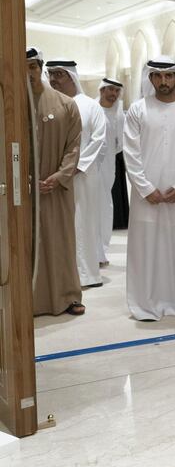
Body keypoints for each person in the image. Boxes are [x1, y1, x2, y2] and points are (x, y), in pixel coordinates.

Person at [123, 56, 175, 321]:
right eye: (158, 76)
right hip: (145, 194)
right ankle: (144, 303)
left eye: (169, 76)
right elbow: (131, 152)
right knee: (145, 247)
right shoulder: (138, 109)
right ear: (150, 78)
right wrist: (145, 188)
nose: (163, 81)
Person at [25, 47, 85, 316]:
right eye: (23, 68)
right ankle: (30, 300)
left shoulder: (66, 104)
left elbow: (74, 147)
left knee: (61, 240)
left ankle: (68, 296)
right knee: (27, 243)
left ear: (40, 68)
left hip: (57, 190)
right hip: (23, 191)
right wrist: (22, 179)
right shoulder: (10, 105)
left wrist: (59, 177)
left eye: (33, 67)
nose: (29, 74)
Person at [46, 59, 107, 288]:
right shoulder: (49, 104)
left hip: (83, 176)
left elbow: (98, 140)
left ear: (72, 77)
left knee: (83, 224)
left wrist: (73, 168)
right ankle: (61, 276)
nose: (53, 79)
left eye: (59, 74)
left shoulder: (91, 106)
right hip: (53, 178)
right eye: (50, 74)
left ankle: (86, 275)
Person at [97, 77, 124, 266]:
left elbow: (118, 145)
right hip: (92, 167)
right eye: (111, 90)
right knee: (93, 208)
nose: (113, 94)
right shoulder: (94, 109)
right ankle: (95, 251)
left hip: (108, 168)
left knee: (105, 207)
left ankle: (102, 248)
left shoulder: (118, 114)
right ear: (102, 90)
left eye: (117, 91)